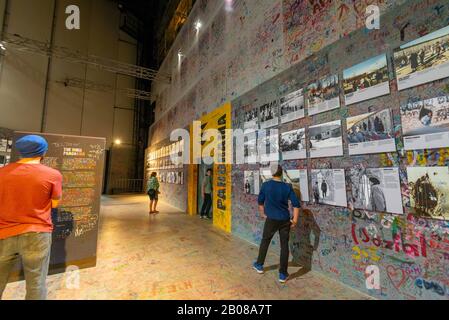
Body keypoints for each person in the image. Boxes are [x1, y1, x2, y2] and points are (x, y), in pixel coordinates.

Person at [0, 135, 62, 300]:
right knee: (36, 283)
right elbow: (54, 204)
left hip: (4, 232)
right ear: (43, 153)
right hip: (38, 233)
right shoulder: (53, 174)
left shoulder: (2, 173)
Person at [253, 165, 301, 283]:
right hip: (285, 220)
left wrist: (263, 213)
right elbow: (296, 205)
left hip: (271, 219)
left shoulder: (266, 185)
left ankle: (259, 265)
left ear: (272, 173)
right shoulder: (287, 186)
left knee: (265, 241)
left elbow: (260, 202)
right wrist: (294, 220)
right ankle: (283, 274)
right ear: (281, 173)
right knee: (284, 246)